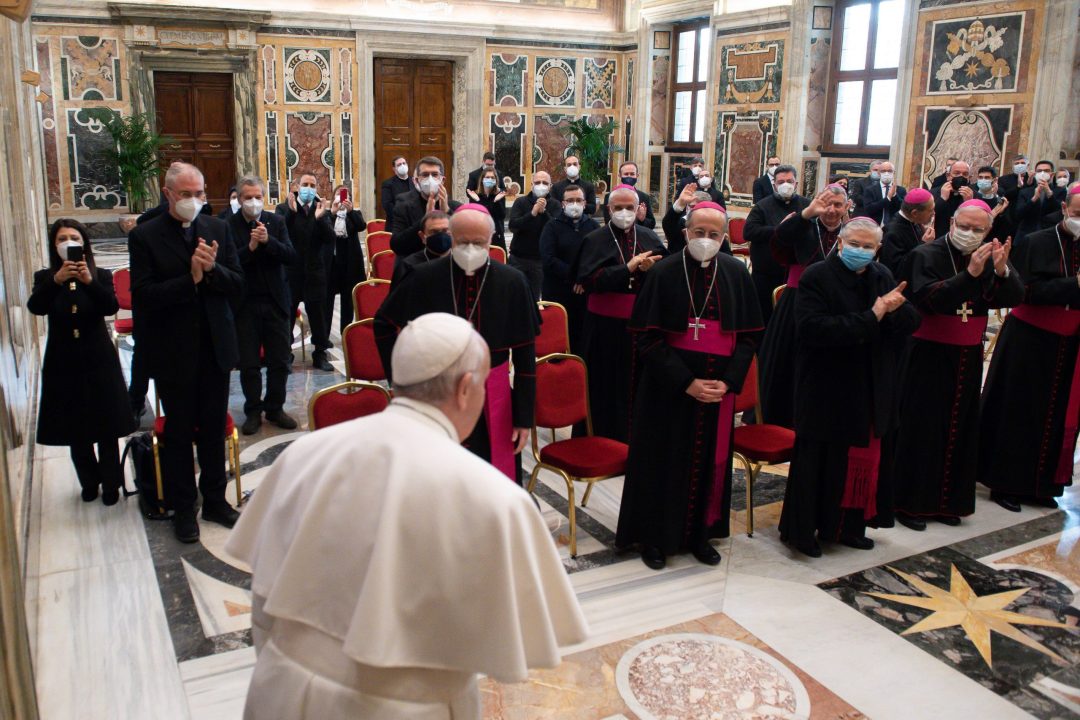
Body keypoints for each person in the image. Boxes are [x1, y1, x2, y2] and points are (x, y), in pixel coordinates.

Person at [226, 312, 587, 720]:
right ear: (467, 388)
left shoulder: (303, 455)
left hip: (281, 690)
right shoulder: (496, 500)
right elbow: (509, 647)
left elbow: (264, 601)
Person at [616, 202, 762, 569]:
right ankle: (654, 537)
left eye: (714, 235)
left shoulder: (736, 273)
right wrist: (687, 382)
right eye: (699, 233)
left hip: (717, 392)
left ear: (725, 238)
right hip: (667, 389)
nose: (706, 240)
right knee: (662, 461)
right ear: (685, 233)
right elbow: (646, 339)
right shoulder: (664, 272)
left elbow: (748, 339)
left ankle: (701, 534)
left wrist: (728, 383)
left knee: (708, 464)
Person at [778, 218, 920, 557]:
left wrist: (894, 312)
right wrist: (873, 316)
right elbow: (814, 329)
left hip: (870, 383)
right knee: (819, 462)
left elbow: (910, 321)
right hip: (827, 385)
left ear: (878, 249)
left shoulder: (882, 276)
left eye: (868, 246)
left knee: (859, 459)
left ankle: (848, 527)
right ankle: (803, 531)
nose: (860, 251)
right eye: (854, 244)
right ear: (840, 243)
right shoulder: (816, 277)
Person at [375, 205, 539, 483]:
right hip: (435, 392)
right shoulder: (423, 276)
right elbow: (384, 325)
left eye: (478, 243)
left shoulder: (513, 282)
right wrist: (401, 381)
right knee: (437, 479)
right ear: (451, 237)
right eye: (463, 242)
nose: (471, 249)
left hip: (494, 394)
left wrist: (523, 417)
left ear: (491, 240)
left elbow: (525, 357)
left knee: (493, 484)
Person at [128, 162, 245, 543]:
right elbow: (143, 297)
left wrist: (211, 272)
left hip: (214, 347)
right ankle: (184, 508)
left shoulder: (217, 228)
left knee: (213, 427)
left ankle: (214, 499)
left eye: (199, 193)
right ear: (168, 195)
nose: (194, 201)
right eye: (185, 194)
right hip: (173, 351)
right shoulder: (145, 236)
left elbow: (236, 283)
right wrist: (189, 280)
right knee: (178, 433)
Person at [892, 200, 1022, 530]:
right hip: (927, 354)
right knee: (922, 428)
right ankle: (909, 503)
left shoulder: (990, 256)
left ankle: (948, 502)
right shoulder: (925, 255)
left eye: (978, 230)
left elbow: (1013, 298)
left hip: (968, 356)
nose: (969, 234)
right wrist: (970, 275)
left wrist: (1004, 271)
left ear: (988, 231)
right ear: (952, 223)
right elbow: (930, 300)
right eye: (964, 227)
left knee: (959, 428)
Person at [979, 186, 1080, 511]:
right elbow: (1023, 291)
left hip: (1070, 342)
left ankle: (1042, 484)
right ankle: (1005, 483)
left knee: (1057, 414)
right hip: (1030, 339)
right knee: (1019, 411)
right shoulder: (1036, 241)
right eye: (1078, 213)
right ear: (1064, 208)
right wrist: (1074, 284)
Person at [28, 219, 136, 505]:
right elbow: (35, 306)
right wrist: (56, 280)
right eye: (62, 238)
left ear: (84, 243)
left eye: (74, 237)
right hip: (63, 360)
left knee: (107, 424)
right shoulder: (45, 277)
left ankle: (112, 484)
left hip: (98, 356)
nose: (68, 242)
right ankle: (89, 482)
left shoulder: (98, 274)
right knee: (76, 425)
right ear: (54, 245)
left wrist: (88, 281)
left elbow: (110, 307)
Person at [575, 185, 666, 442]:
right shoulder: (594, 240)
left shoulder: (649, 237)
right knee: (603, 386)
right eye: (619, 208)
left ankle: (635, 441)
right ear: (609, 210)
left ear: (639, 209)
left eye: (630, 207)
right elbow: (588, 280)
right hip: (602, 329)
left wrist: (651, 269)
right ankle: (598, 440)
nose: (624, 212)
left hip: (640, 326)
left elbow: (665, 275)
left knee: (637, 385)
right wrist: (627, 268)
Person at [757, 185, 847, 428]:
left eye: (837, 205)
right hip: (796, 302)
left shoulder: (852, 232)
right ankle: (783, 416)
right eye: (826, 203)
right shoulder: (803, 224)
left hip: (836, 306)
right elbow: (780, 240)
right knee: (787, 362)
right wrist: (806, 214)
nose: (831, 209)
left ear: (846, 207)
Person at [230, 175, 298, 436]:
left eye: (258, 196)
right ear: (239, 198)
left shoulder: (276, 222)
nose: (254, 202)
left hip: (275, 301)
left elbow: (290, 255)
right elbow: (229, 263)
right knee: (249, 363)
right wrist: (250, 247)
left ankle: (275, 407)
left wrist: (269, 242)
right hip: (245, 304)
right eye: (248, 197)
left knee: (279, 360)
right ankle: (253, 410)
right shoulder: (228, 224)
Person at [276, 173, 334, 371]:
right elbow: (280, 233)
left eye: (312, 185)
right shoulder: (284, 208)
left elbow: (329, 239)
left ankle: (320, 354)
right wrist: (292, 214)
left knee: (318, 315)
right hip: (291, 272)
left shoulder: (320, 211)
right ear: (296, 186)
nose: (308, 188)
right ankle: (285, 355)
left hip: (314, 272)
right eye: (305, 184)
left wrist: (319, 219)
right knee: (288, 315)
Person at [744, 164, 809, 324]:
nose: (785, 185)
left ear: (796, 184)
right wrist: (780, 229)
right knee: (764, 317)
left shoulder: (807, 205)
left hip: (797, 273)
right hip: (766, 273)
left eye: (789, 181)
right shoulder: (762, 206)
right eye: (781, 182)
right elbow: (749, 232)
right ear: (774, 185)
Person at [540, 184, 598, 355]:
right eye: (570, 200)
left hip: (585, 291)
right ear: (563, 203)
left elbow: (598, 257)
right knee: (560, 337)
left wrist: (583, 279)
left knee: (583, 338)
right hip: (559, 290)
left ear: (585, 203)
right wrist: (575, 277)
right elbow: (548, 258)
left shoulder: (594, 226)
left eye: (578, 200)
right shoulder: (552, 227)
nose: (574, 204)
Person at [390, 156, 461, 258]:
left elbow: (467, 240)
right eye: (425, 175)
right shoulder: (404, 207)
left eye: (435, 174)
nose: (430, 179)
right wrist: (424, 219)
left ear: (443, 180)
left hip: (448, 266)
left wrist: (447, 211)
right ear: (417, 180)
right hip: (416, 265)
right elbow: (396, 245)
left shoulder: (456, 207)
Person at [508, 170, 556, 300]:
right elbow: (513, 226)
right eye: (538, 182)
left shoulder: (555, 205)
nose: (541, 185)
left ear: (550, 186)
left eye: (545, 183)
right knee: (514, 297)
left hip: (539, 261)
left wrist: (544, 212)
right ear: (531, 184)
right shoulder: (520, 202)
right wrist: (532, 213)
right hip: (518, 259)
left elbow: (556, 229)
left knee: (534, 299)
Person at [326, 184, 367, 333]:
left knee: (347, 301)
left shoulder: (355, 213)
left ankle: (346, 331)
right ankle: (324, 336)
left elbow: (361, 226)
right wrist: (333, 212)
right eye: (339, 194)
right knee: (327, 300)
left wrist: (350, 212)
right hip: (332, 263)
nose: (343, 197)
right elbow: (323, 230)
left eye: (346, 195)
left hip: (350, 263)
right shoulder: (327, 214)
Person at [879, 187, 936, 274]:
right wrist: (924, 245)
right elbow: (895, 269)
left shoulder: (914, 221)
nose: (933, 213)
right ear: (915, 213)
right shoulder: (892, 233)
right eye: (931, 210)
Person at [663, 185, 732, 255]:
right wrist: (680, 203)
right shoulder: (682, 223)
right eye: (691, 206)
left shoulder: (714, 227)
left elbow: (727, 255)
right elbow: (668, 225)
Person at [392, 210, 451, 284]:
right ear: (422, 236)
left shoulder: (461, 263)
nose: (441, 236)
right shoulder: (408, 266)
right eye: (434, 232)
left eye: (445, 231)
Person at [1015, 160, 1067, 241]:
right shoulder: (1025, 191)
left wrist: (1050, 194)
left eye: (1046, 171)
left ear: (1052, 174)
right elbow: (1018, 214)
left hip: (1050, 236)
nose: (1042, 173)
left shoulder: (1060, 191)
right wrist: (1033, 199)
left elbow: (1062, 213)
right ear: (1035, 174)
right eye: (1039, 171)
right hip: (1026, 236)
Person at [602, 161, 656, 229]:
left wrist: (642, 220)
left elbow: (652, 224)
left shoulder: (644, 197)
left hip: (638, 236)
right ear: (620, 175)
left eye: (632, 174)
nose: (629, 176)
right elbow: (608, 222)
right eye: (626, 174)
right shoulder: (610, 196)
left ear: (637, 175)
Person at [466, 167, 507, 249]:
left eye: (492, 178)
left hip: (496, 235)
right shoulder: (475, 196)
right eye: (487, 177)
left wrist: (496, 201)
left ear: (496, 180)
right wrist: (477, 200)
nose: (490, 179)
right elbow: (476, 217)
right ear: (482, 179)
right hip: (479, 235)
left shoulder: (499, 195)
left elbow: (501, 216)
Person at [931, 160, 973, 238]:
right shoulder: (932, 194)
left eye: (965, 174)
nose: (961, 176)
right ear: (948, 176)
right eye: (957, 173)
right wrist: (942, 199)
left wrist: (969, 203)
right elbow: (927, 217)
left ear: (969, 178)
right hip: (937, 238)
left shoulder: (974, 195)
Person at [973, 166, 1014, 242]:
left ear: (994, 180)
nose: (983, 180)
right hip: (973, 237)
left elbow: (1006, 222)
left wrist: (1001, 212)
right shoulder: (971, 192)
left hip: (992, 239)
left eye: (987, 178)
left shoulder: (1000, 194)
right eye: (980, 177)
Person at [858, 161, 906, 226]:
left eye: (890, 171)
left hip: (894, 227)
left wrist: (895, 195)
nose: (886, 173)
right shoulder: (870, 190)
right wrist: (888, 198)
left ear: (894, 173)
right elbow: (869, 209)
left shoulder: (901, 190)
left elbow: (904, 209)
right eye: (883, 171)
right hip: (875, 226)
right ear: (879, 173)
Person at [380, 155, 411, 221]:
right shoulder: (388, 184)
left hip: (413, 222)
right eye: (399, 165)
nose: (403, 166)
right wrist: (402, 216)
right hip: (396, 223)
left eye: (404, 163)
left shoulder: (414, 181)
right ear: (394, 168)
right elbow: (387, 205)